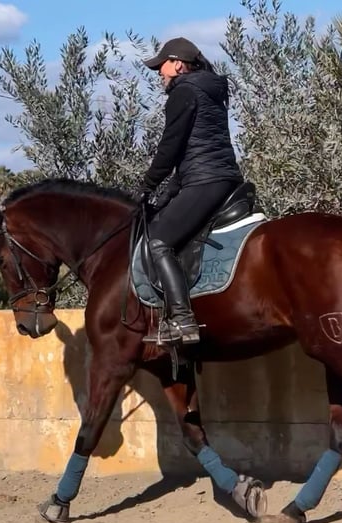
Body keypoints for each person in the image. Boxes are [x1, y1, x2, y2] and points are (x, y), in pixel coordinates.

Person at [133, 37, 243, 345]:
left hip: (205, 181)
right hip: (223, 179)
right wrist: (168, 194)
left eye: (162, 66)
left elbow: (171, 147)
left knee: (158, 243)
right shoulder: (210, 91)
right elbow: (189, 155)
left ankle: (182, 320)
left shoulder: (183, 91)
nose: (159, 73)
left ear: (178, 63)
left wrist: (147, 186)